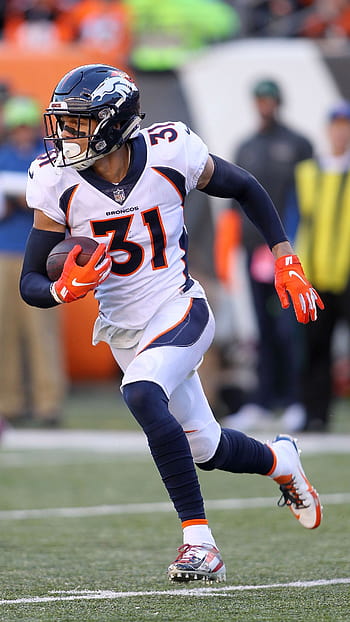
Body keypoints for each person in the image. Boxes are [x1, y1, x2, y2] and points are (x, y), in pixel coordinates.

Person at [20, 64, 323, 583]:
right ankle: (281, 461)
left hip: (180, 305)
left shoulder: (170, 149)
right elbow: (30, 279)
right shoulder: (56, 181)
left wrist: (284, 256)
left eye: (78, 123)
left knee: (140, 393)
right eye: (64, 123)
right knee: (205, 447)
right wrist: (59, 292)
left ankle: (199, 543)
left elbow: (245, 187)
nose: (66, 135)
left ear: (114, 123)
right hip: (122, 328)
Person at [221, 78, 313, 433]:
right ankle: (263, 399)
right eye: (260, 99)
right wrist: (226, 249)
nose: (265, 105)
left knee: (288, 327)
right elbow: (232, 201)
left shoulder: (297, 144)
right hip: (251, 248)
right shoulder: (247, 146)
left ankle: (293, 398)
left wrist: (293, 245)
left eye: (269, 99)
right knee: (261, 326)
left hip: (284, 250)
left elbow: (306, 199)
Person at [0, 95, 66, 426]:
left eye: (27, 126)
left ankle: (47, 403)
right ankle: (9, 403)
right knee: (5, 331)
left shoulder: (49, 160)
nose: (23, 132)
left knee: (42, 331)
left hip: (41, 253)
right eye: (18, 126)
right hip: (5, 252)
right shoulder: (3, 158)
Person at [292, 101, 350, 431]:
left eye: (346, 124)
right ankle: (314, 414)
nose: (341, 131)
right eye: (336, 124)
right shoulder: (307, 172)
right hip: (314, 274)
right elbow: (293, 218)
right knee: (315, 350)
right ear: (328, 129)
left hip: (347, 273)